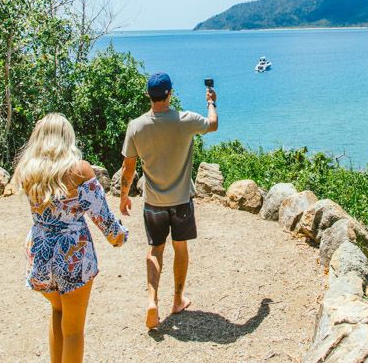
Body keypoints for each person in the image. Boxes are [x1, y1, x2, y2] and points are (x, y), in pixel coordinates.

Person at [13, 113, 128, 363]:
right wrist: (118, 237)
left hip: (40, 251)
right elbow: (102, 216)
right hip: (71, 254)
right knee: (74, 329)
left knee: (57, 311)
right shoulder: (79, 169)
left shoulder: (27, 169)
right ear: (67, 137)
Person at [118, 72, 218, 330]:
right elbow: (213, 124)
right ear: (170, 93)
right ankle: (177, 299)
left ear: (148, 96)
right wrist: (211, 102)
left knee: (155, 250)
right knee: (180, 248)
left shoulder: (136, 126)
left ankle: (152, 300)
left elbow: (128, 168)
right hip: (181, 200)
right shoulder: (185, 120)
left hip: (153, 202)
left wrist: (124, 196)